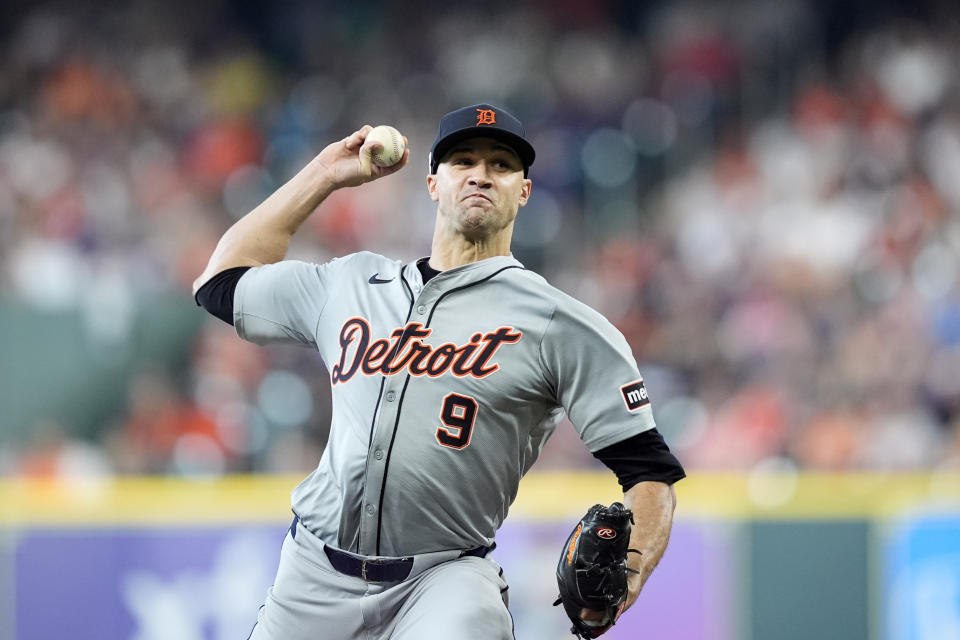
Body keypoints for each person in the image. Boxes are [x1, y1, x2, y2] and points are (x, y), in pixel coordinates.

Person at [193, 103, 685, 640]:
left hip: (445, 579)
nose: (480, 173)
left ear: (523, 191)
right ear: (433, 183)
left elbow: (649, 471)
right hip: (311, 575)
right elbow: (220, 283)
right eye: (462, 160)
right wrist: (324, 176)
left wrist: (626, 578)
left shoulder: (558, 322)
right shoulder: (351, 283)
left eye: (501, 164)